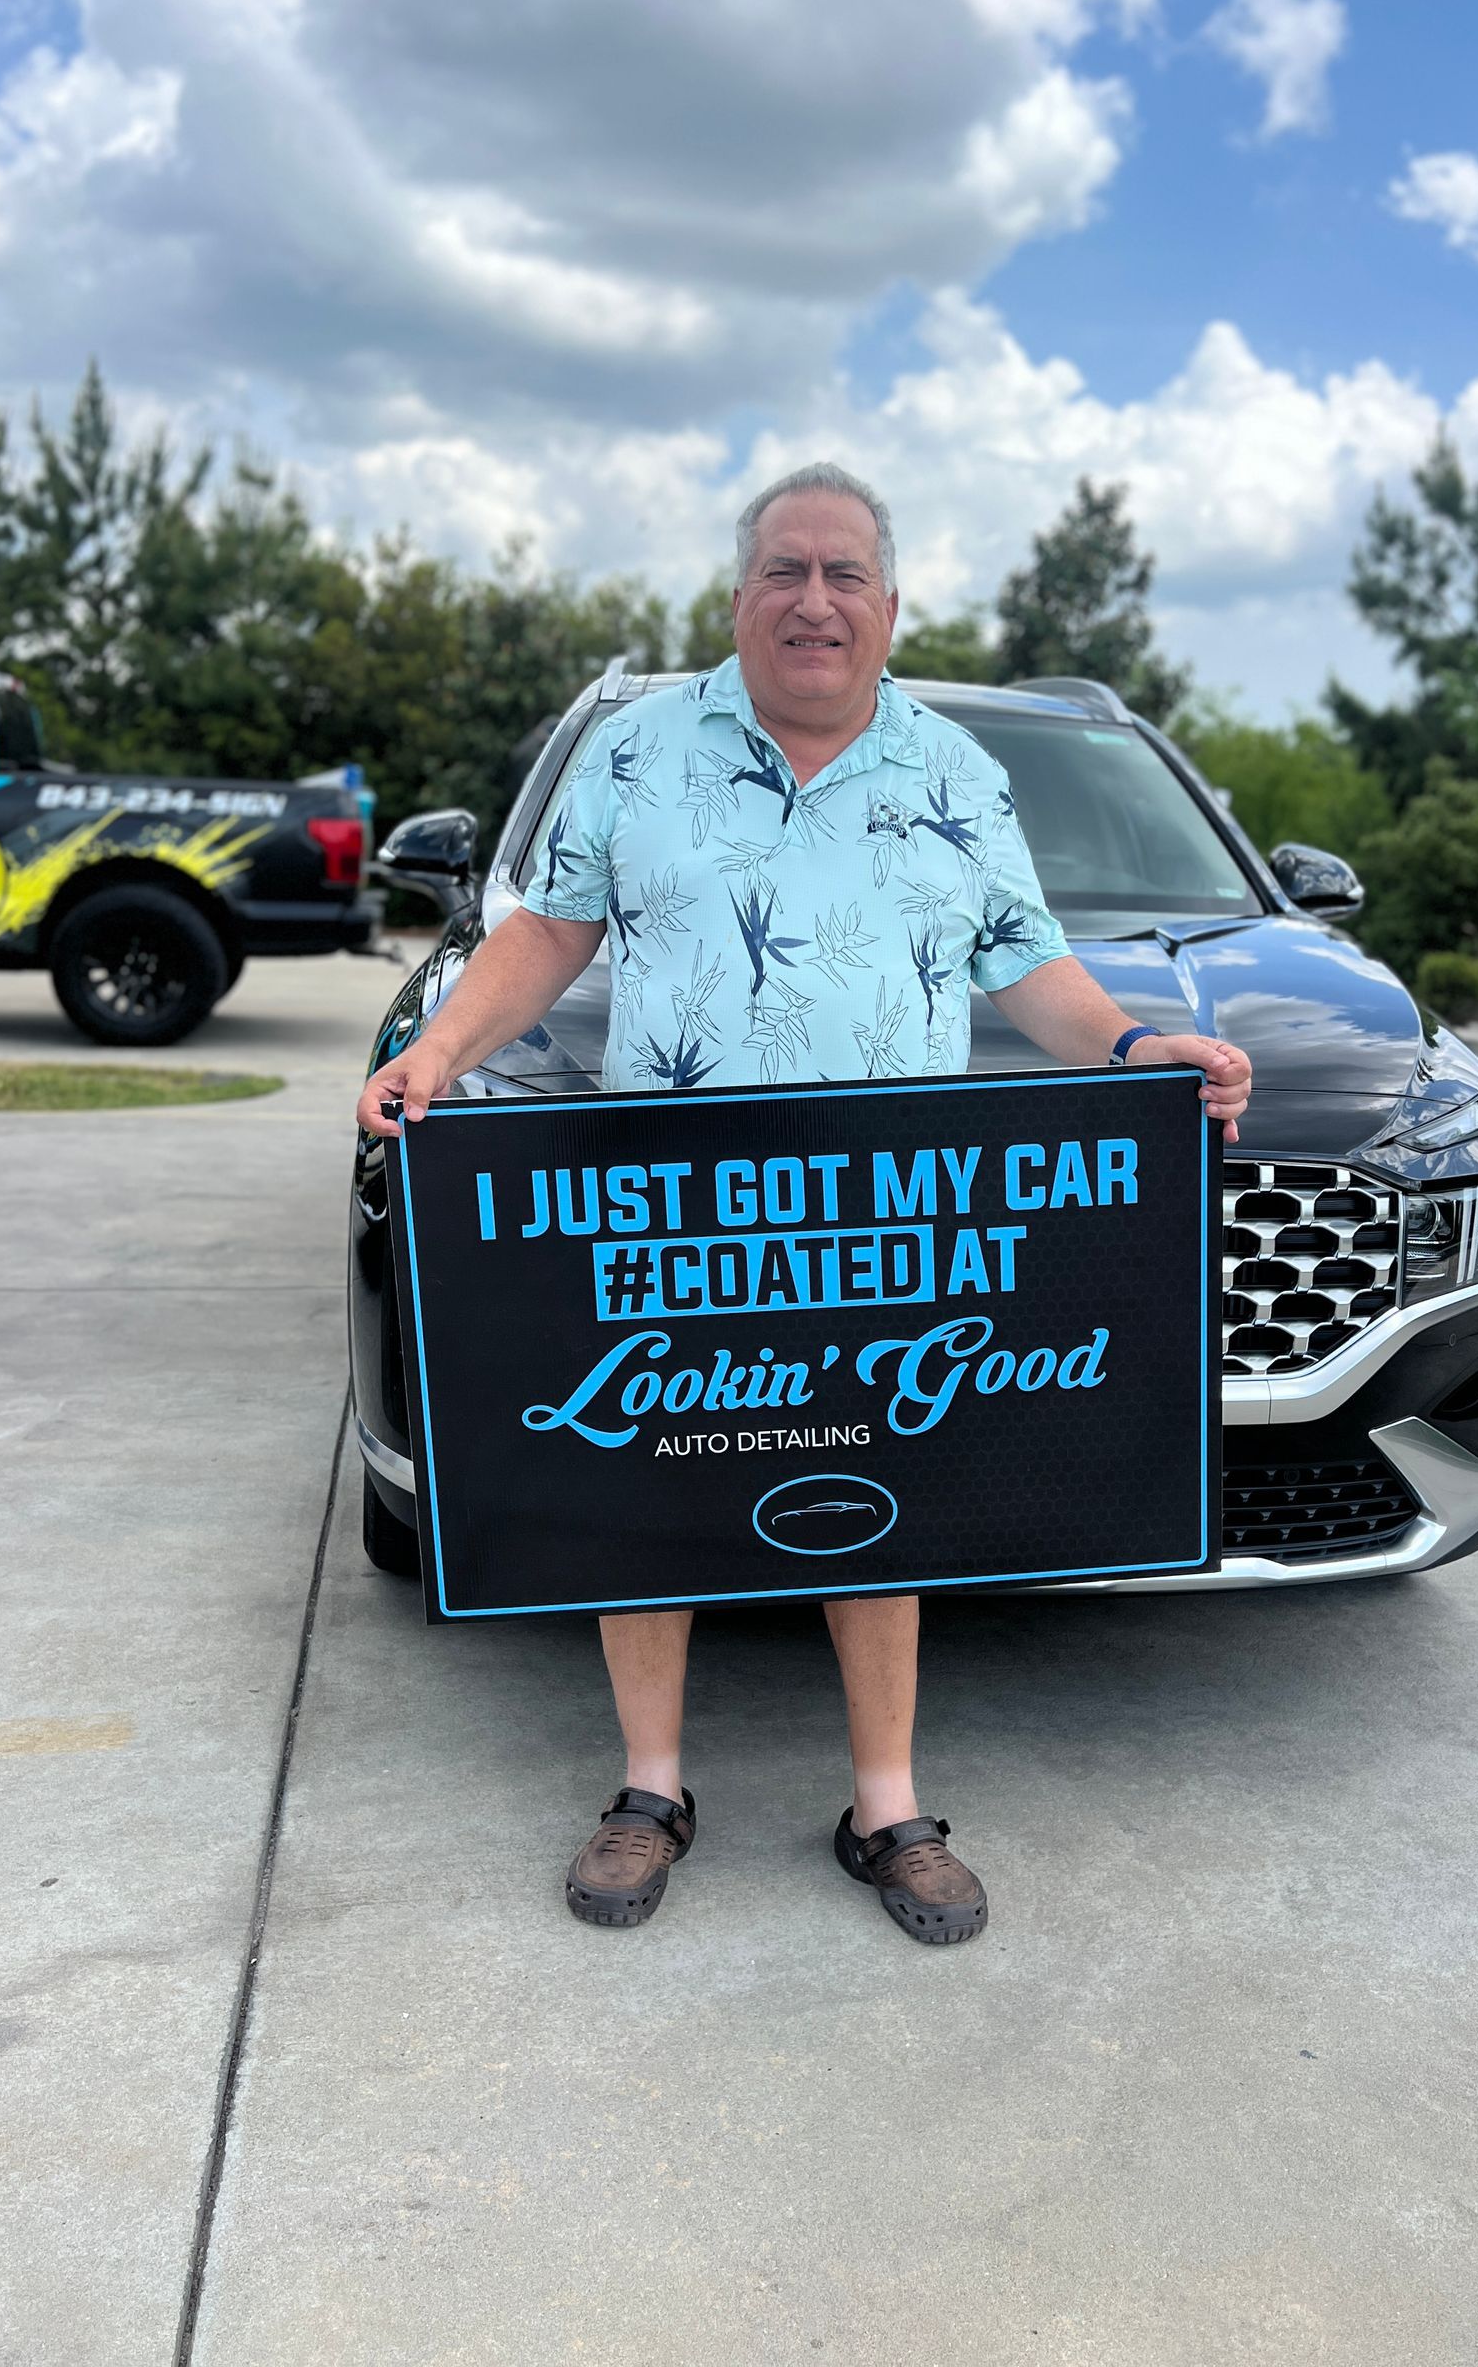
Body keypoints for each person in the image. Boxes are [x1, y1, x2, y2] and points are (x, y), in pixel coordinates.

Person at [357, 463, 1252, 1945]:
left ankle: (886, 1808)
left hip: (887, 1218)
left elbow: (1028, 967)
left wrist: (1143, 1048)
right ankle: (650, 1793)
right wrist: (438, 1053)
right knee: (651, 1494)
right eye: (786, 570)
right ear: (740, 598)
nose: (815, 600)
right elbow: (549, 934)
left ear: (890, 610)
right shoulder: (641, 753)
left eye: (845, 575)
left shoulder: (957, 777)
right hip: (671, 1213)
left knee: (879, 1503)